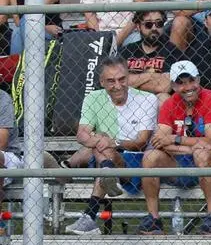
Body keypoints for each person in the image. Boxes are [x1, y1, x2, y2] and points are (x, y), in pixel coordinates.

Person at [65, 59, 157, 234]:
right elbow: (82, 134)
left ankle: (90, 215)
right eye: (111, 81)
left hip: (135, 161)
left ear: (129, 77)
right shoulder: (93, 98)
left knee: (104, 142)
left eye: (122, 79)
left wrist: (111, 142)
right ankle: (108, 173)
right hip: (104, 156)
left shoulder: (147, 99)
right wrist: (100, 140)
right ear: (101, 82)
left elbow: (141, 142)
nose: (118, 85)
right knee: (102, 140)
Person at [139, 61, 211, 236]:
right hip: (180, 162)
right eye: (180, 83)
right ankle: (154, 218)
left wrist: (175, 138)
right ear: (173, 85)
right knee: (150, 156)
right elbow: (159, 142)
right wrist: (191, 148)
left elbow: (210, 141)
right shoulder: (170, 104)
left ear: (199, 80)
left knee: (203, 154)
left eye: (191, 81)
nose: (187, 87)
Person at [120, 8, 185, 95]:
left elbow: (164, 86)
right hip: (129, 99)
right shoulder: (128, 50)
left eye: (159, 23)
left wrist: (131, 82)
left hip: (155, 99)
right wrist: (150, 76)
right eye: (148, 24)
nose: (154, 28)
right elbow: (119, 81)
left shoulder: (172, 51)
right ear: (139, 27)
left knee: (163, 96)